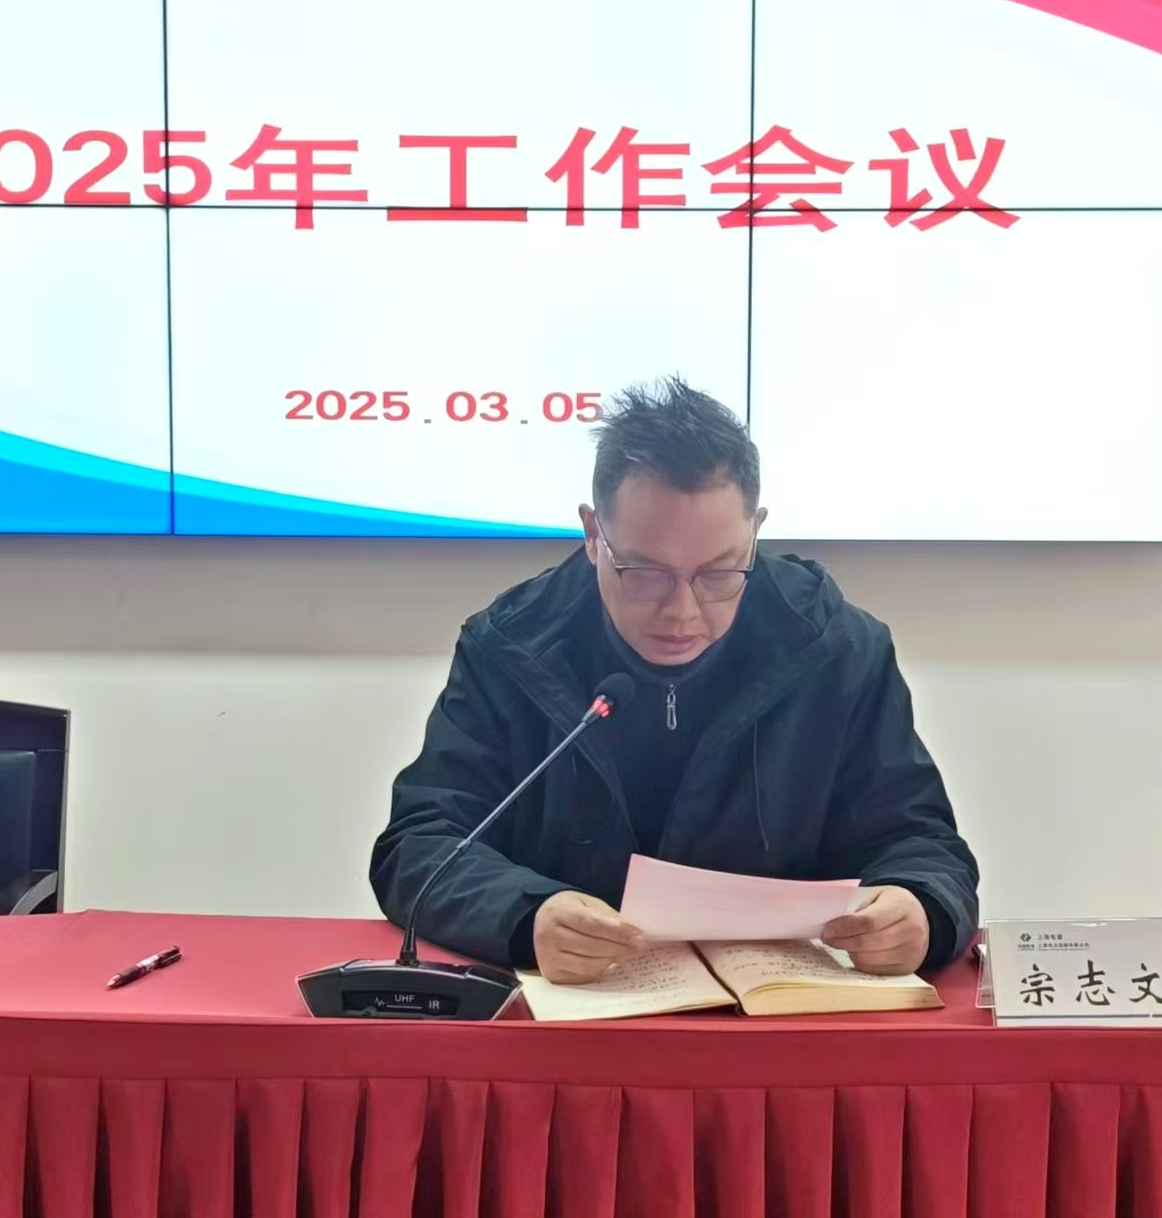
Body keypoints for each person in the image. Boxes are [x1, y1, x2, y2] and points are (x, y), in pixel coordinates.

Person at [371, 379, 978, 984]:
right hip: (580, 1008)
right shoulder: (511, 648)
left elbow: (919, 842)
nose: (682, 612)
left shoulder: (838, 650)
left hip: (781, 1009)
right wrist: (526, 916)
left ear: (755, 532)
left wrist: (918, 907)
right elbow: (421, 843)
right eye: (645, 573)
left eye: (719, 573)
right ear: (593, 535)